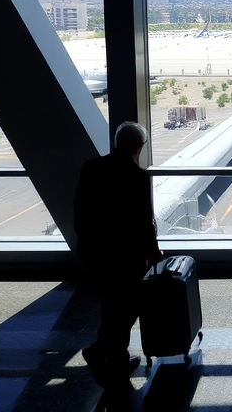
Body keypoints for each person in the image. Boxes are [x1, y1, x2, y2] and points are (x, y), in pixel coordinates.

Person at [74, 122, 162, 387]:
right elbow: (144, 223)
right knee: (127, 307)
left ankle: (110, 354)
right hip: (127, 255)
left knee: (112, 303)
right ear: (138, 147)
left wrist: (87, 245)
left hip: (98, 251)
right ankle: (107, 354)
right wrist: (154, 255)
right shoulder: (138, 177)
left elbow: (80, 211)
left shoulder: (91, 167)